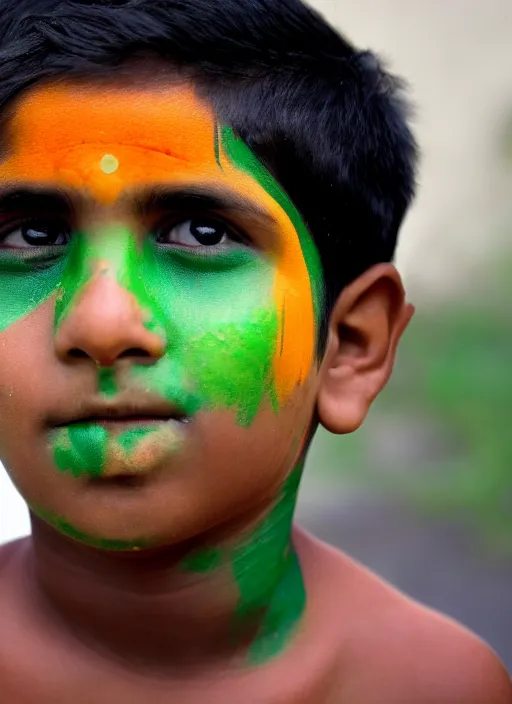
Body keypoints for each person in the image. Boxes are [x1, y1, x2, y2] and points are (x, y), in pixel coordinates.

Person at [0, 0, 510, 701]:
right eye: (31, 237)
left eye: (202, 234)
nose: (101, 321)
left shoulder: (433, 686)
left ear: (351, 347)